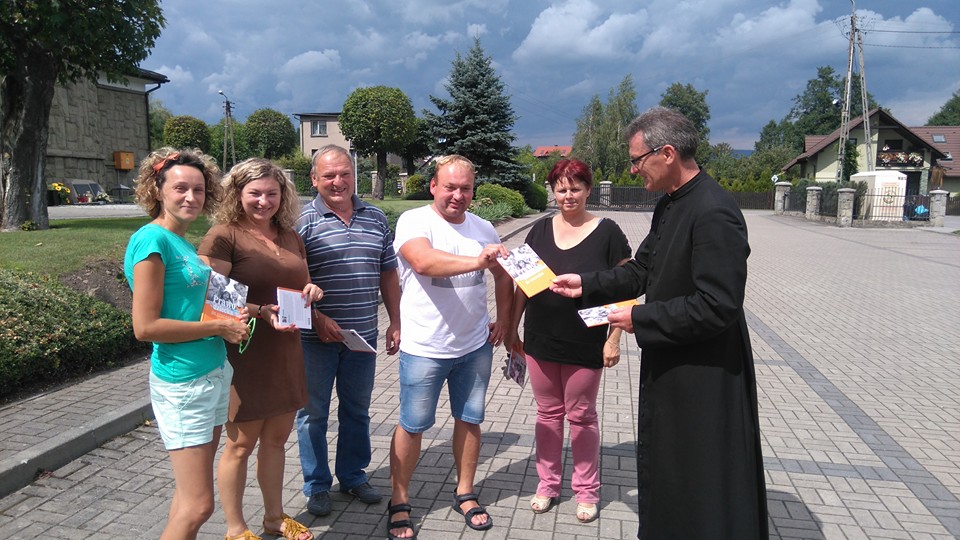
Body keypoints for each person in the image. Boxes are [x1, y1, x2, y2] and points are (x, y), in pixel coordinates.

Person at [550, 107, 768, 539]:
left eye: (637, 159)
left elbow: (718, 305)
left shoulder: (714, 210)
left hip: (705, 373)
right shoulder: (670, 202)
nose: (633, 170)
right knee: (671, 467)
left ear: (667, 153)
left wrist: (638, 317)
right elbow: (642, 269)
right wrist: (587, 283)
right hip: (673, 359)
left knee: (700, 474)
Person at [123, 147, 250, 539]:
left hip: (211, 373)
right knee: (199, 506)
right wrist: (219, 329)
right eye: (180, 188)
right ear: (157, 189)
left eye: (198, 189)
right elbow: (146, 327)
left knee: (186, 497)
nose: (191, 197)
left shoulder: (181, 241)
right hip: (184, 383)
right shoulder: (152, 241)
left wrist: (255, 311)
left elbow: (197, 307)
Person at [387, 155, 514, 540]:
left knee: (470, 419)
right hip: (425, 346)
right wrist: (478, 259)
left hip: (474, 345)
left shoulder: (483, 227)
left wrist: (504, 319)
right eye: (450, 187)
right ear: (433, 187)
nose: (458, 195)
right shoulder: (414, 221)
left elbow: (502, 275)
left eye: (466, 188)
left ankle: (465, 492)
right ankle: (399, 499)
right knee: (412, 425)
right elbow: (424, 262)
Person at [198, 158, 321, 540]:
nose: (264, 201)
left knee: (276, 440)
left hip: (286, 349)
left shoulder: (289, 235)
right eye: (255, 193)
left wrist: (311, 291)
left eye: (272, 193)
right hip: (245, 353)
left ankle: (274, 518)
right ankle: (235, 529)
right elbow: (208, 297)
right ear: (237, 193)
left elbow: (300, 281)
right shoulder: (224, 236)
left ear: (283, 195)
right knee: (240, 444)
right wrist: (260, 312)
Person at [505, 158, 631, 523]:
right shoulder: (540, 230)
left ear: (588, 190)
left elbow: (627, 285)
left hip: (585, 341)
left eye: (575, 188)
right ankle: (547, 485)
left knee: (581, 417)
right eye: (561, 189)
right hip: (540, 339)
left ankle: (587, 490)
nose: (568, 195)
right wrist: (512, 328)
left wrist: (614, 338)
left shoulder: (608, 232)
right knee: (547, 415)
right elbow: (523, 285)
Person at [295, 145, 401, 517]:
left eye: (345, 174)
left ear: (354, 176)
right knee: (313, 414)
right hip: (314, 340)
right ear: (314, 179)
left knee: (357, 410)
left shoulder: (376, 217)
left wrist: (396, 321)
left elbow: (388, 272)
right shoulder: (301, 221)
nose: (338, 182)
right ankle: (317, 485)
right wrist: (316, 318)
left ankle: (353, 476)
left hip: (362, 335)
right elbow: (290, 281)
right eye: (329, 175)